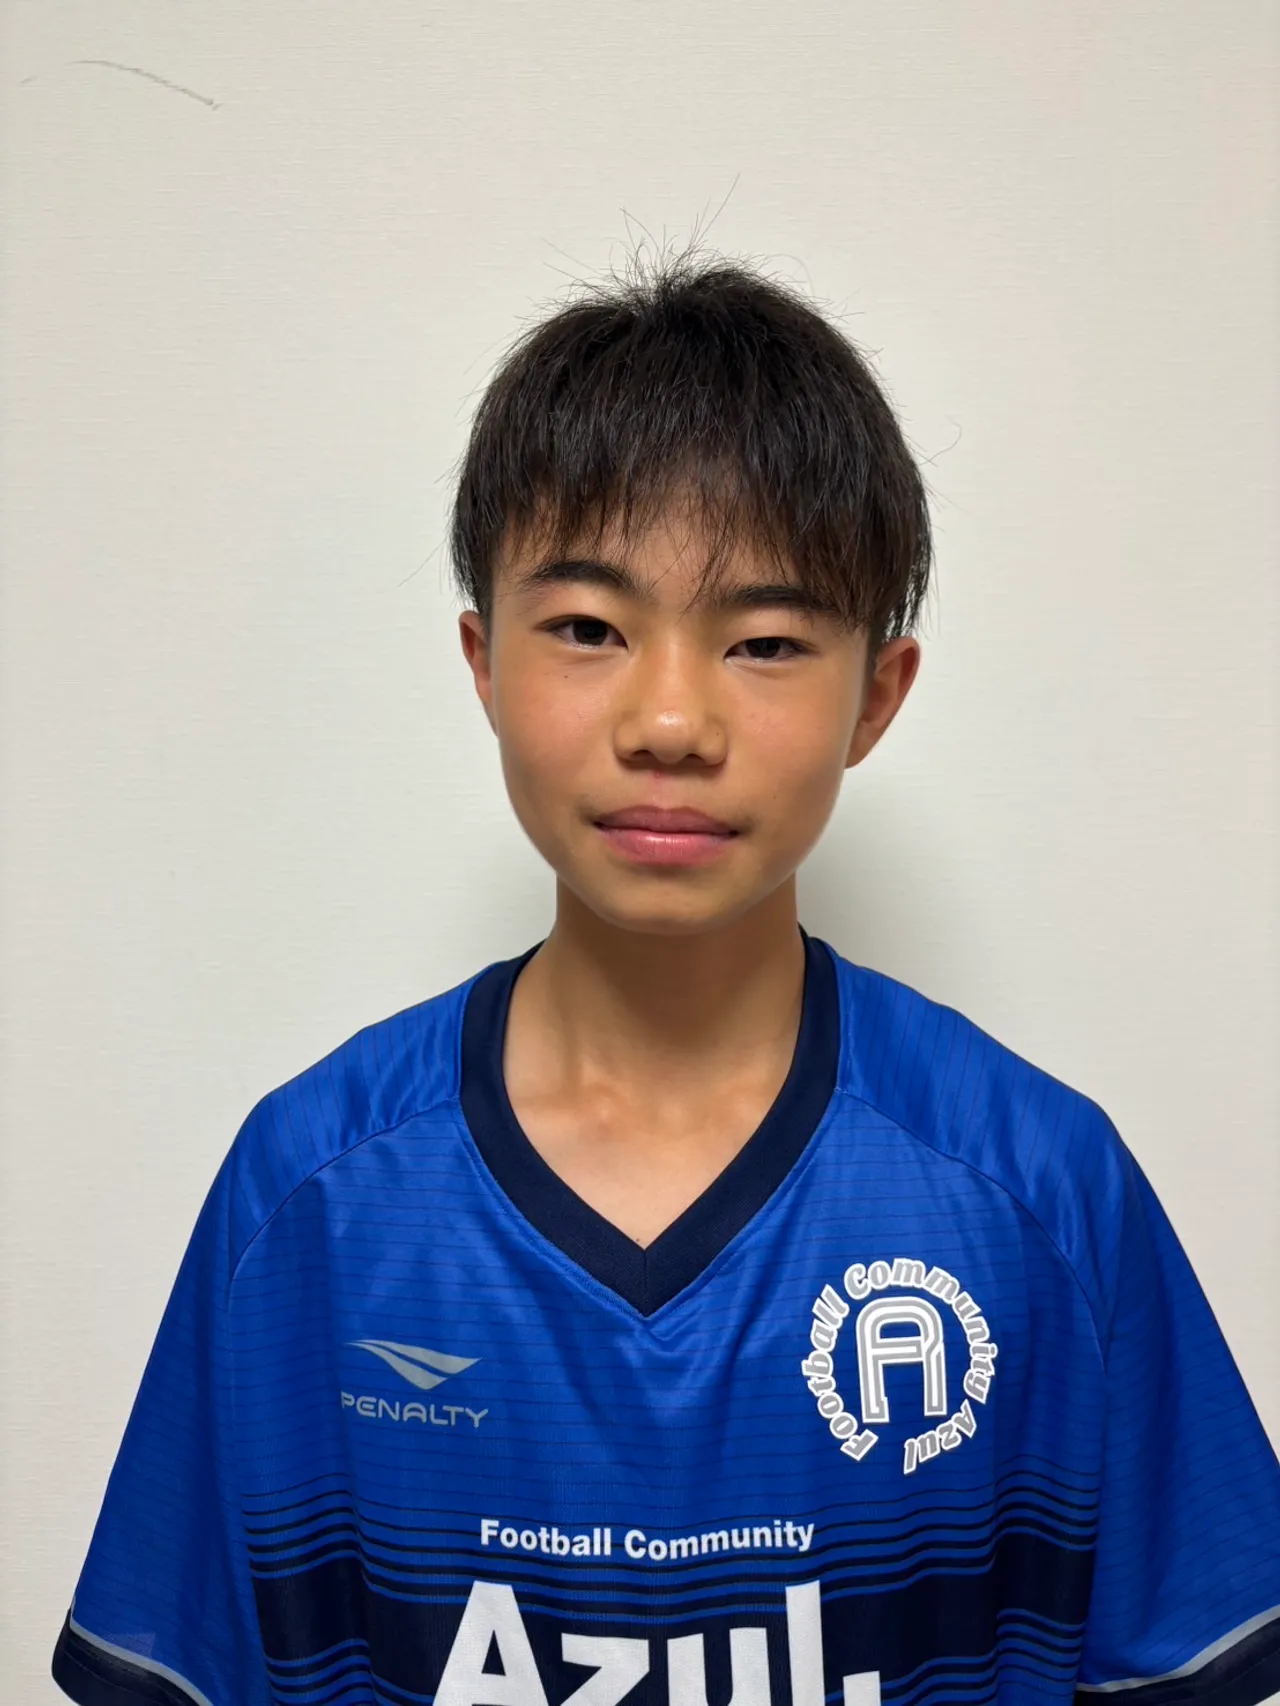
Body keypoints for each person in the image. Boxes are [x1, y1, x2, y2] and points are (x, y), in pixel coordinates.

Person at [52, 249, 1280, 1706]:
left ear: (877, 696)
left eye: (765, 641)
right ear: (483, 661)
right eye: (588, 628)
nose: (672, 720)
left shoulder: (1039, 1189)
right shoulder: (310, 1196)